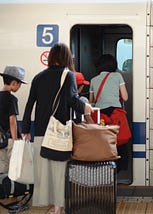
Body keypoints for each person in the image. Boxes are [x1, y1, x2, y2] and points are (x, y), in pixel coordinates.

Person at [21, 43, 93, 214]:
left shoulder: (38, 77)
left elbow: (30, 104)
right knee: (59, 171)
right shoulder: (68, 76)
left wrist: (25, 128)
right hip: (59, 132)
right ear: (67, 57)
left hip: (40, 132)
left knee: (43, 172)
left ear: (51, 57)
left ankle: (51, 206)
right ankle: (58, 207)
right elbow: (72, 99)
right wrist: (86, 108)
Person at [89, 54, 129, 172]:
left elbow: (91, 102)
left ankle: (104, 170)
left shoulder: (93, 80)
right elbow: (125, 97)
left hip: (100, 116)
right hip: (116, 114)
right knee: (119, 140)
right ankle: (119, 168)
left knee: (104, 142)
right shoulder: (117, 76)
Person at [0, 65, 27, 174]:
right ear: (14, 83)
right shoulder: (12, 99)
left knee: (2, 166)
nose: (19, 87)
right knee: (14, 167)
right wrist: (16, 141)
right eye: (19, 84)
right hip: (10, 139)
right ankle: (12, 189)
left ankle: (3, 188)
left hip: (1, 138)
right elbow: (12, 121)